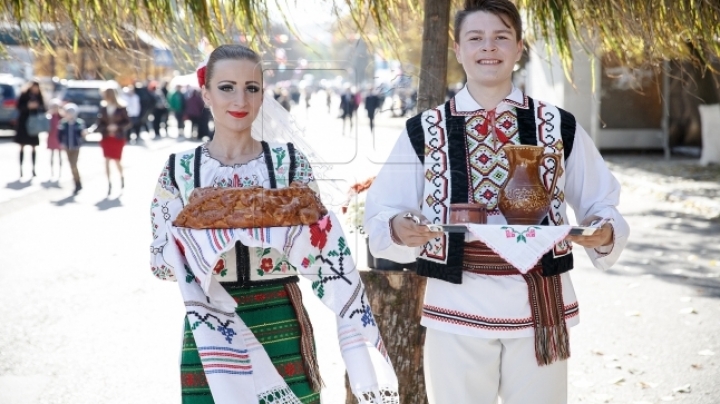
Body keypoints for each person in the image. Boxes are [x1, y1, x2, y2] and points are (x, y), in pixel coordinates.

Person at [364, 1, 630, 403]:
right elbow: (382, 211)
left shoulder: (556, 125)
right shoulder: (425, 129)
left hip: (538, 303)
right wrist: (399, 228)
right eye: (476, 38)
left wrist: (605, 230)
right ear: (457, 49)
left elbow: (601, 201)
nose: (489, 47)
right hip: (456, 303)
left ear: (519, 47)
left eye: (501, 37)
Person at [149, 44, 399, 404]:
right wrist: (198, 251)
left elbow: (321, 246)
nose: (240, 99)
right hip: (209, 320)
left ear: (263, 94)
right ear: (205, 94)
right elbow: (161, 264)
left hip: (280, 313)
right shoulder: (178, 170)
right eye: (226, 87)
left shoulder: (288, 164)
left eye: (251, 88)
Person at [96, 87, 131, 196]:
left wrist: (117, 127)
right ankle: (109, 182)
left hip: (117, 137)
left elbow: (128, 122)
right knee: (106, 160)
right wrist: (106, 128)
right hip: (106, 137)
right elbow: (99, 123)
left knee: (116, 160)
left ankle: (121, 177)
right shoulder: (103, 107)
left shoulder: (121, 107)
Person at [14, 80, 46, 178]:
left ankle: (33, 169)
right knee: (22, 146)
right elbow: (18, 106)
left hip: (35, 124)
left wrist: (37, 107)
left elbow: (44, 108)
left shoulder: (39, 96)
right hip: (24, 122)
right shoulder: (24, 95)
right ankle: (21, 168)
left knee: (33, 147)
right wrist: (28, 106)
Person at [57, 103, 87, 194]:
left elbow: (81, 133)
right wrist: (61, 143)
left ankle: (77, 183)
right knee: (71, 165)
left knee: (74, 165)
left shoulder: (78, 123)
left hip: (75, 146)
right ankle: (77, 182)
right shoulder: (63, 123)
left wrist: (83, 134)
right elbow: (59, 135)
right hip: (67, 146)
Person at [46, 99, 63, 180]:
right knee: (52, 156)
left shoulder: (61, 117)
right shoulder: (49, 117)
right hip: (51, 137)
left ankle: (60, 171)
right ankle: (51, 172)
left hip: (59, 138)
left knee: (60, 156)